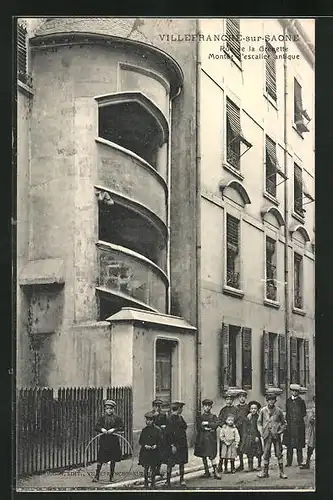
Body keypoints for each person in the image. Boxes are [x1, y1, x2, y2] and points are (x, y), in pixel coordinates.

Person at [257, 392, 287, 479]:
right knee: (266, 453)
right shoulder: (263, 411)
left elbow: (284, 423)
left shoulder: (279, 411)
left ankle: (282, 472)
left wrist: (280, 431)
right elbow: (259, 422)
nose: (271, 402)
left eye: (273, 400)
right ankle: (265, 472)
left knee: (278, 453)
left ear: (275, 401)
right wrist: (261, 431)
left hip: (276, 435)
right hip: (266, 435)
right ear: (267, 401)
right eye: (269, 400)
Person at [92, 399, 124, 482]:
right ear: (105, 409)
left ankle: (111, 476)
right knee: (100, 458)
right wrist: (102, 429)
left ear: (113, 409)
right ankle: (97, 475)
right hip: (104, 441)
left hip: (113, 441)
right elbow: (96, 427)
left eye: (110, 408)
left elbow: (122, 427)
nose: (109, 410)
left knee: (113, 459)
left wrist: (113, 429)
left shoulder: (117, 418)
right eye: (107, 408)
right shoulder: (102, 418)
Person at [163, 401, 188, 487]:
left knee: (181, 462)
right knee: (170, 463)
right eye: (181, 408)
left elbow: (185, 426)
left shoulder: (180, 418)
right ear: (179, 409)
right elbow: (168, 434)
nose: (182, 410)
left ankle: (181, 479)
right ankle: (168, 481)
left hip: (181, 444)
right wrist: (172, 445)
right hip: (173, 445)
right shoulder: (170, 419)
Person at [194, 399, 221, 479]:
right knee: (203, 455)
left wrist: (207, 424)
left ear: (211, 407)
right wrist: (208, 428)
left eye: (209, 406)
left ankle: (215, 471)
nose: (207, 408)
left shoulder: (213, 416)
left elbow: (216, 424)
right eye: (205, 406)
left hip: (211, 439)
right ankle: (206, 471)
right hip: (202, 439)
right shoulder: (200, 417)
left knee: (212, 455)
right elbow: (199, 427)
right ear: (203, 407)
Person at [283, 384, 307, 467]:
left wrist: (298, 419)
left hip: (298, 426)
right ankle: (289, 462)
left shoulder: (301, 402)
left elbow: (304, 413)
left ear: (298, 392)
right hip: (290, 426)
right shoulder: (288, 401)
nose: (295, 393)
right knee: (289, 445)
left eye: (296, 391)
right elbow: (287, 412)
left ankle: (300, 461)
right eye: (293, 391)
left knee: (299, 444)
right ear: (291, 391)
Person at [138, 411, 163, 488]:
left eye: (150, 420)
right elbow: (140, 441)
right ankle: (146, 483)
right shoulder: (144, 430)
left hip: (154, 452)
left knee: (153, 468)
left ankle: (152, 483)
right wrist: (145, 445)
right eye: (147, 420)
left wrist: (156, 445)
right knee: (146, 468)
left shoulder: (158, 430)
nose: (148, 422)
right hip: (145, 452)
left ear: (153, 421)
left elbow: (161, 441)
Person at [217, 391, 239, 473]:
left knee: (232, 453)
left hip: (232, 432)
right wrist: (223, 425)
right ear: (225, 400)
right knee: (223, 452)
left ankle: (233, 467)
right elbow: (219, 420)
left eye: (230, 399)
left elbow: (239, 419)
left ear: (232, 400)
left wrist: (235, 425)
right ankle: (221, 465)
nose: (229, 401)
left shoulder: (236, 409)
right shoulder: (223, 410)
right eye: (227, 399)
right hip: (225, 432)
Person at [240, 400, 263, 471]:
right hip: (249, 437)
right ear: (249, 409)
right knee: (250, 452)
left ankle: (259, 465)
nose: (253, 410)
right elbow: (246, 427)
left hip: (256, 437)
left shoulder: (259, 417)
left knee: (258, 452)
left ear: (257, 409)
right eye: (252, 408)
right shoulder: (248, 418)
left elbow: (259, 427)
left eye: (255, 408)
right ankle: (250, 466)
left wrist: (257, 436)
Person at [151, 398, 168, 478]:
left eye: (159, 406)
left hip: (160, 437)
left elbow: (166, 424)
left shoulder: (163, 415)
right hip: (152, 437)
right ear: (153, 407)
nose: (158, 408)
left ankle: (157, 470)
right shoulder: (150, 415)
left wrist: (164, 426)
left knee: (160, 454)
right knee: (152, 455)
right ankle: (152, 471)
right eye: (156, 406)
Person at [300, 395, 315, 470]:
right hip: (314, 431)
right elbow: (309, 421)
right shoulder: (313, 410)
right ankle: (307, 463)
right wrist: (311, 419)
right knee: (310, 447)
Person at [235, 390, 249, 472]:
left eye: (243, 397)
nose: (242, 398)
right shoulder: (236, 408)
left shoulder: (248, 407)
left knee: (246, 445)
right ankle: (241, 464)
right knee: (239, 446)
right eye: (240, 397)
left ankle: (250, 463)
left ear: (245, 398)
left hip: (246, 429)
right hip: (239, 429)